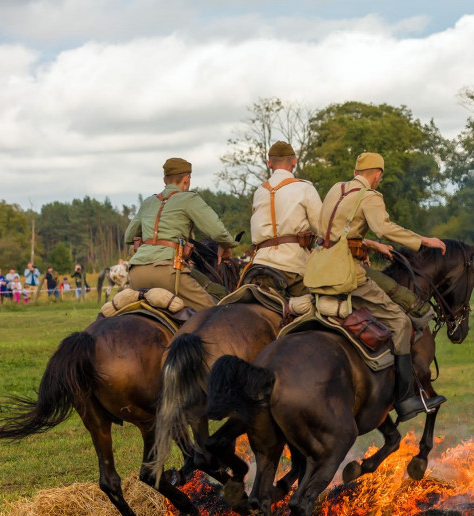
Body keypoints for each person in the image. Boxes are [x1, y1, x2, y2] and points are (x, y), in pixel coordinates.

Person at [313, 151, 447, 422]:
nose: (378, 181)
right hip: (348, 273)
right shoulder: (370, 196)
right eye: (379, 177)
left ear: (354, 173)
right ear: (377, 174)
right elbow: (382, 228)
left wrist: (368, 245)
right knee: (400, 322)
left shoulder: (334, 190)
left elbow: (329, 230)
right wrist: (423, 241)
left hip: (317, 271)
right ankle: (406, 399)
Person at [124, 157, 239, 310]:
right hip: (169, 274)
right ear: (187, 179)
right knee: (216, 314)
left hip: (136, 274)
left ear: (165, 180)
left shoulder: (148, 202)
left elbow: (129, 237)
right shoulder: (189, 199)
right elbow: (218, 232)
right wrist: (228, 245)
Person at [246, 140, 322, 296]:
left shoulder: (259, 191)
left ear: (269, 163)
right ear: (294, 162)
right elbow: (324, 229)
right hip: (293, 267)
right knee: (322, 307)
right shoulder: (305, 187)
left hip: (259, 266)